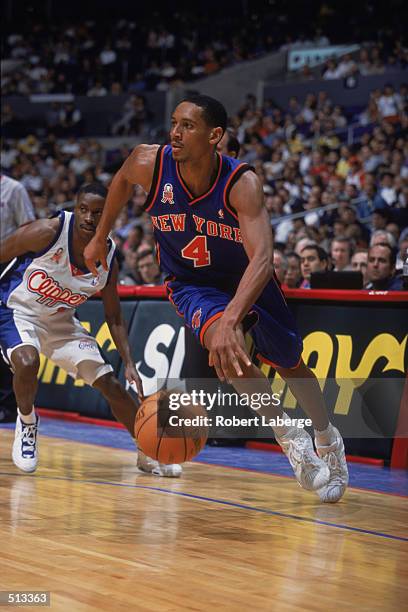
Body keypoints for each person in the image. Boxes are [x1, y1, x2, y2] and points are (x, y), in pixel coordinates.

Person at [84, 95, 348, 503]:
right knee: (227, 351)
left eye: (188, 126)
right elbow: (119, 182)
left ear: (215, 136)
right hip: (191, 284)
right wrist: (101, 236)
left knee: (292, 364)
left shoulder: (241, 183)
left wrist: (233, 316)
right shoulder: (148, 163)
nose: (175, 132)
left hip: (247, 278)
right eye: (174, 122)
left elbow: (262, 258)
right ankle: (290, 438)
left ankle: (327, 436)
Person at [0, 182, 181, 478]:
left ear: (108, 214)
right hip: (17, 310)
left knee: (111, 386)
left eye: (97, 212)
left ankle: (147, 450)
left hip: (60, 322)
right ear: (75, 207)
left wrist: (131, 364)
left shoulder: (108, 258)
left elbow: (115, 316)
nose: (88, 218)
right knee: (27, 361)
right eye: (83, 209)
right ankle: (28, 422)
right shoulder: (47, 231)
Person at [0, 175, 36, 423]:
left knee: (4, 336)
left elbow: (29, 229)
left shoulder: (14, 189)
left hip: (6, 268)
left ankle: (8, 404)